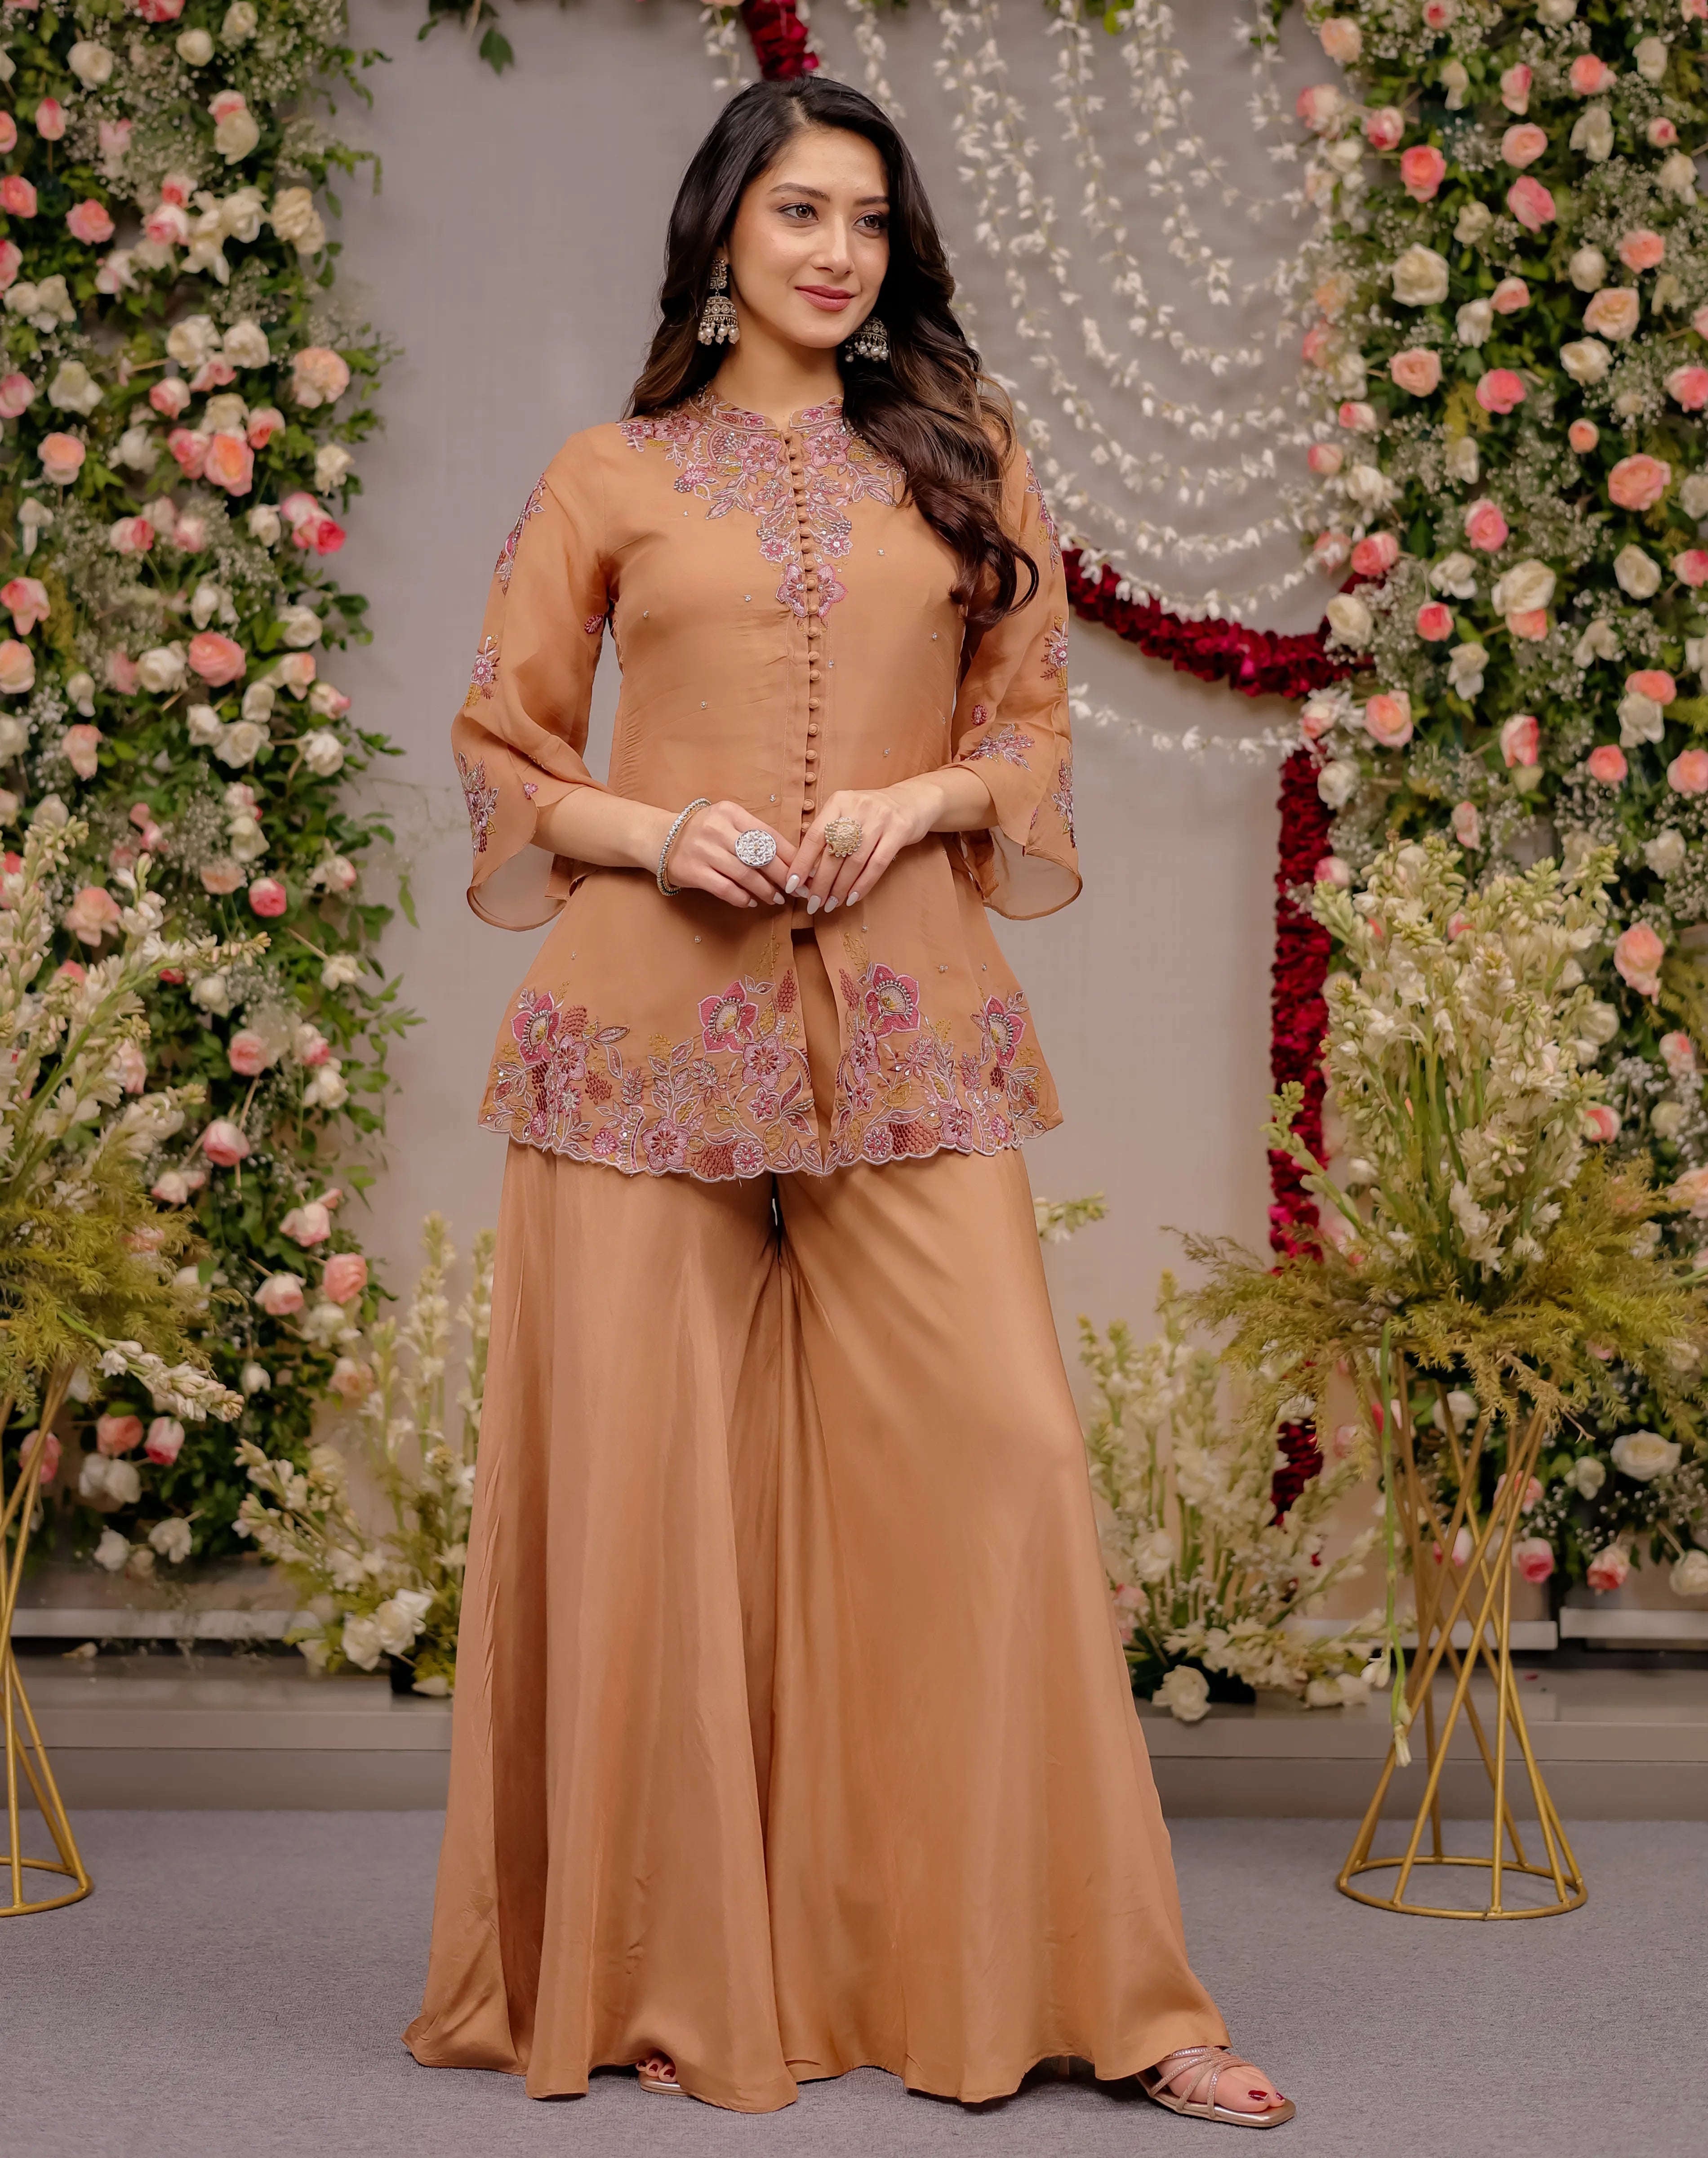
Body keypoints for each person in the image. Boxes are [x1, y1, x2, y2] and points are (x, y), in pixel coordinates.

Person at [403, 74, 1291, 2131]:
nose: (836, 251)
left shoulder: (964, 460)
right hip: (642, 1036)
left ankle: (1118, 1996)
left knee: (1008, 1454)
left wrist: (927, 797)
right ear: (722, 230)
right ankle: (648, 1970)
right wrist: (655, 831)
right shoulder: (608, 474)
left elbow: (1031, 724)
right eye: (799, 210)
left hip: (905, 1015)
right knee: (643, 1505)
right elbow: (502, 748)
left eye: (868, 221)